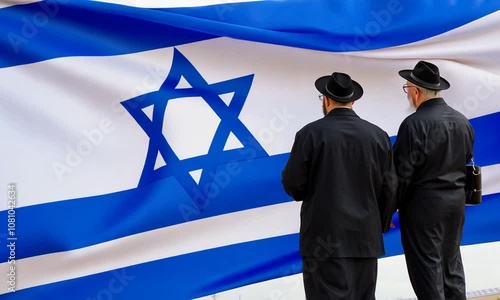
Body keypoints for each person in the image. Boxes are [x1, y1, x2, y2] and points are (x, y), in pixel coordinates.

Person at [281, 72, 397, 300]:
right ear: (353, 101)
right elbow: (391, 185)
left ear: (326, 100)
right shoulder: (378, 136)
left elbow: (293, 184)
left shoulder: (309, 134)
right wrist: (380, 223)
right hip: (365, 238)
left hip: (323, 239)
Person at [394, 61, 475, 299]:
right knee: (451, 265)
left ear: (416, 91)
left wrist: (387, 210)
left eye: (407, 87)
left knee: (426, 268)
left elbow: (400, 174)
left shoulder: (414, 124)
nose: (407, 92)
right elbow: (466, 157)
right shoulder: (462, 120)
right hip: (456, 204)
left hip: (424, 208)